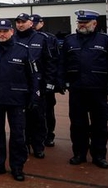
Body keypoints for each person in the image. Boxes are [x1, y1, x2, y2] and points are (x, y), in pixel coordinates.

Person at [0, 19, 39, 182]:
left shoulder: (23, 50)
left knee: (18, 135)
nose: (2, 34)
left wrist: (34, 96)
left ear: (11, 32)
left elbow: (33, 77)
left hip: (17, 100)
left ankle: (17, 167)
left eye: (5, 31)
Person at [60, 10, 108, 169]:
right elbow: (62, 64)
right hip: (77, 89)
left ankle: (99, 155)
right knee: (78, 124)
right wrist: (62, 82)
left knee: (100, 124)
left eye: (85, 22)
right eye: (80, 22)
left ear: (94, 23)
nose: (82, 25)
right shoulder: (69, 41)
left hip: (98, 89)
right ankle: (79, 153)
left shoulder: (105, 40)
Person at [14, 13, 57, 159]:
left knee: (38, 117)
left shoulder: (42, 39)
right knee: (21, 119)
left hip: (38, 85)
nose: (20, 24)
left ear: (30, 23)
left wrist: (49, 83)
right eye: (18, 22)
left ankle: (38, 146)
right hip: (19, 85)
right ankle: (24, 144)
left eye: (23, 22)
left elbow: (50, 62)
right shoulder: (12, 39)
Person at [31, 13, 63, 147]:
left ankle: (49, 135)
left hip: (45, 81)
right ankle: (34, 136)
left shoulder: (50, 38)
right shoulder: (22, 38)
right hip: (31, 82)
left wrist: (52, 82)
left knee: (48, 110)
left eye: (35, 23)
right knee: (32, 111)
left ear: (41, 23)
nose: (32, 26)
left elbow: (55, 61)